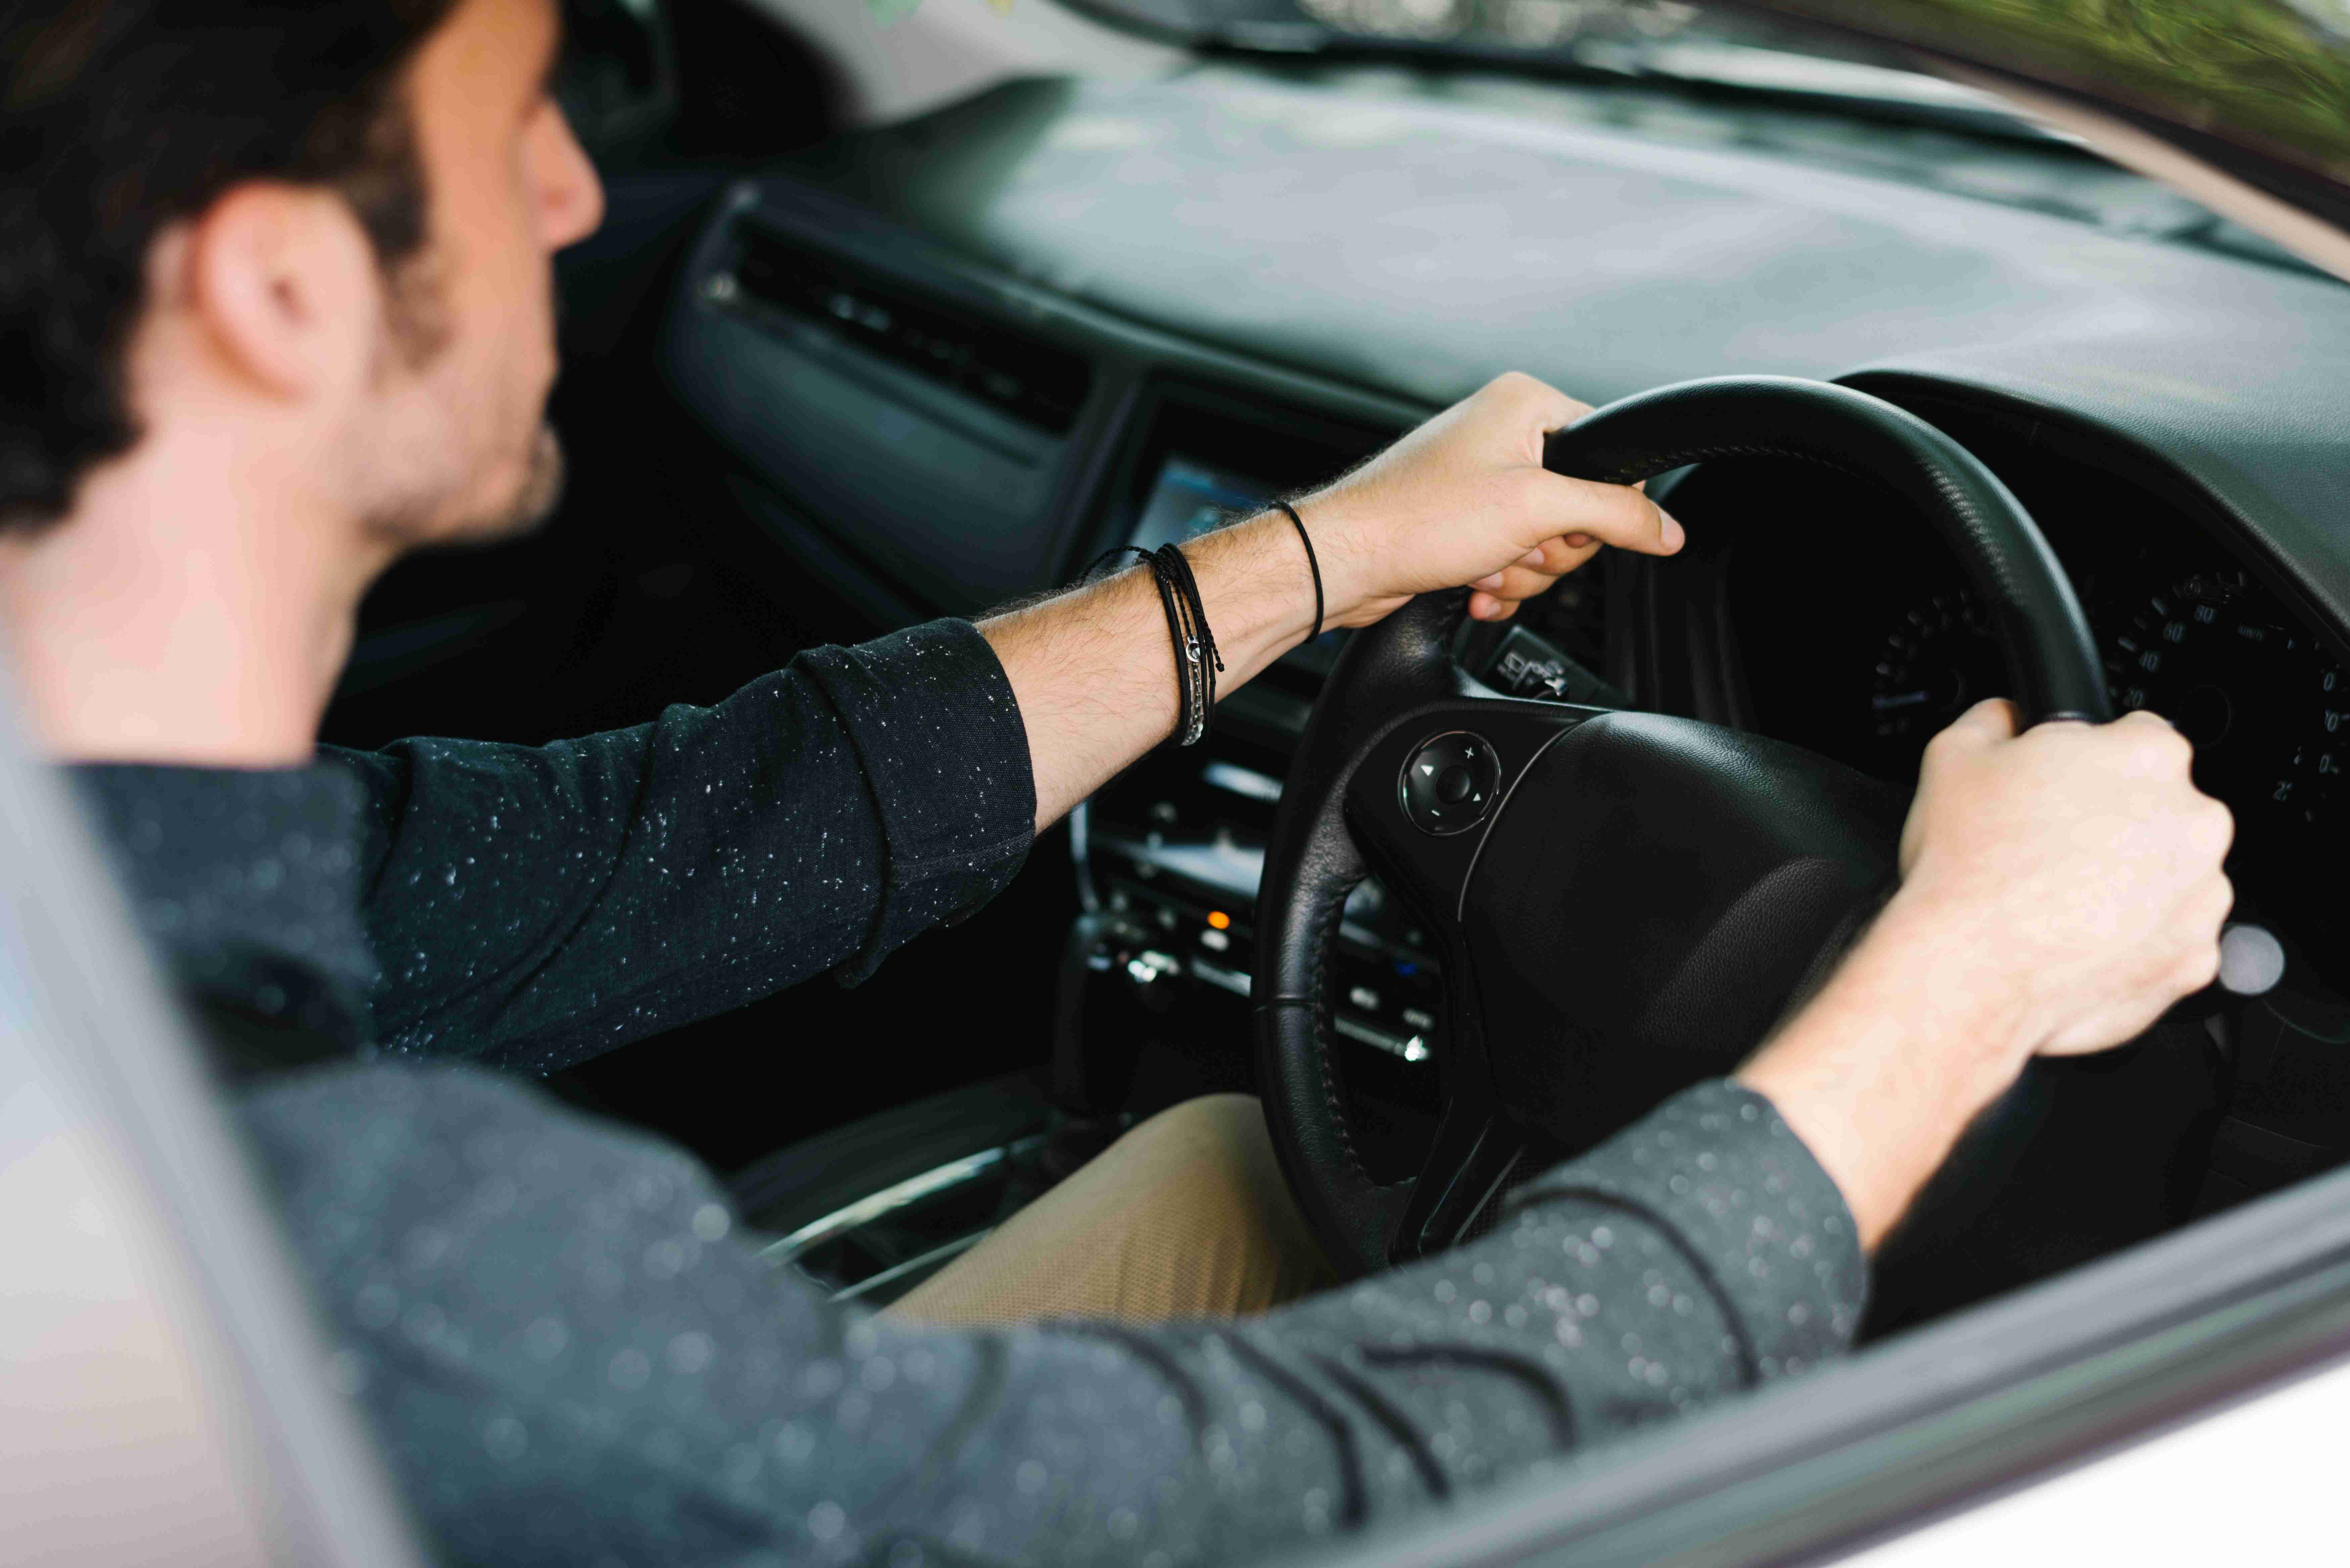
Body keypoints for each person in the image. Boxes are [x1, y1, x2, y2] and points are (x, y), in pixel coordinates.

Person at [0, 1, 2235, 1563]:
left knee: (1230, 1175)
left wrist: (1324, 553)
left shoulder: (103, 872)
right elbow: (1377, 1464)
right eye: (518, 118)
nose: (585, 186)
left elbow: (665, 846)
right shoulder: (400, 1273)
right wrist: (1956, 978)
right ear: (281, 284)